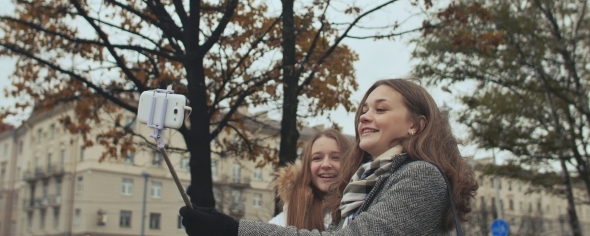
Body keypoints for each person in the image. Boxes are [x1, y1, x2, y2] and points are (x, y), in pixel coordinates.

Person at [179, 78, 479, 236]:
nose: (364, 117)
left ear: (417, 124)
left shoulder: (421, 176)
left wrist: (235, 231)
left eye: (381, 109)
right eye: (363, 110)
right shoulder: (362, 185)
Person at [268, 129, 352, 230]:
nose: (325, 164)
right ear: (307, 167)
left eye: (335, 157)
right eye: (317, 158)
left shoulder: (362, 207)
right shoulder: (285, 219)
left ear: (350, 163)